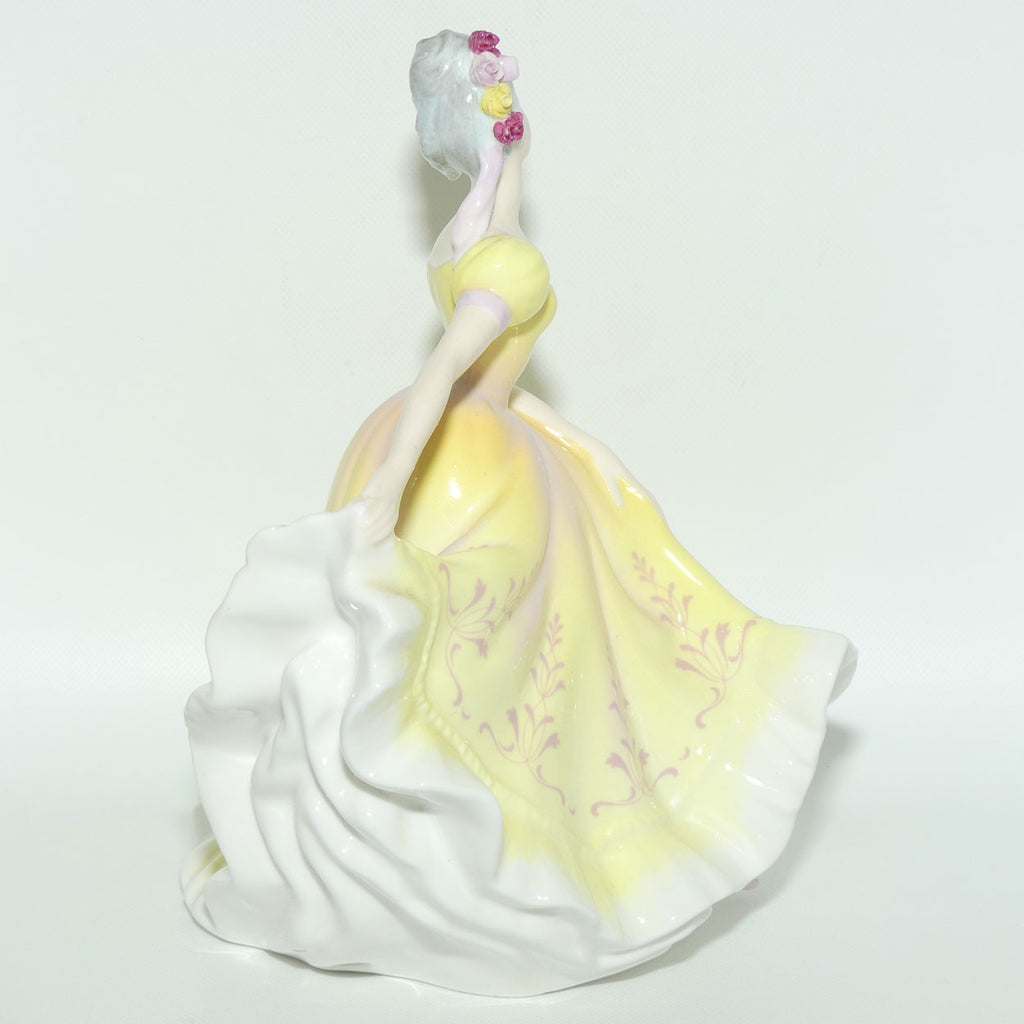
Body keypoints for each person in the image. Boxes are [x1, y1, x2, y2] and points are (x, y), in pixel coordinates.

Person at [183, 30, 855, 996]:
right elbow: (453, 352)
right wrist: (393, 480)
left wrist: (555, 446)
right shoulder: (502, 256)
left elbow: (473, 341)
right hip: (468, 460)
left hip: (448, 442)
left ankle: (401, 847)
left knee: (423, 643)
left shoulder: (475, 247)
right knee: (485, 650)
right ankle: (446, 856)